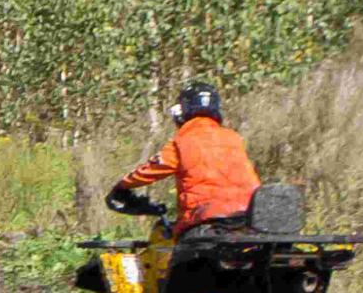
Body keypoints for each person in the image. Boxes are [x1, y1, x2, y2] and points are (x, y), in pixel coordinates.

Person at [109, 81, 261, 237]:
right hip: (247, 217)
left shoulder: (182, 140)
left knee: (170, 248)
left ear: (183, 110)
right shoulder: (234, 138)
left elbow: (151, 169)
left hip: (204, 220)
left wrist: (123, 186)